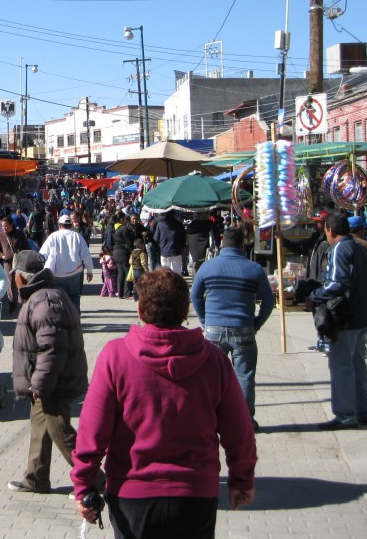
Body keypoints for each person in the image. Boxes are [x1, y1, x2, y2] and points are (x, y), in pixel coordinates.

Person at [72, 268, 257, 536]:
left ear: (140, 309)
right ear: (186, 311)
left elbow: (92, 430)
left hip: (132, 496)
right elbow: (239, 431)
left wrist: (84, 484)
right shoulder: (213, 360)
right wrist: (242, 479)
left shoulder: (116, 356)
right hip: (195, 495)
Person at [7, 250, 88, 495]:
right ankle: (36, 478)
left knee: (58, 429)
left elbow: (52, 347)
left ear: (22, 277)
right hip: (49, 378)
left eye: (15, 276)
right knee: (40, 426)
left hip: (53, 379)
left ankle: (94, 478)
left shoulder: (44, 301)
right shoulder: (43, 297)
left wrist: (40, 382)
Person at [190, 227, 274, 430]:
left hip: (213, 330)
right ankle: (244, 422)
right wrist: (256, 324)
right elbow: (269, 301)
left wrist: (204, 320)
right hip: (243, 328)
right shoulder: (253, 269)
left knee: (211, 377)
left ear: (222, 244)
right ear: (242, 245)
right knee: (244, 376)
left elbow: (194, 295)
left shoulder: (207, 268)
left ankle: (210, 421)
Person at [309, 212, 367, 430]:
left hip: (345, 317)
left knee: (341, 366)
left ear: (329, 230)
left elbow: (337, 282)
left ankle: (346, 414)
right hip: (361, 314)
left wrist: (315, 295)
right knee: (357, 363)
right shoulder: (360, 247)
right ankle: (362, 409)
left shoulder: (339, 248)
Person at [39, 213, 94, 312]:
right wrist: (89, 270)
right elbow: (86, 255)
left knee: (60, 300)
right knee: (75, 297)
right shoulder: (77, 236)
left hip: (58, 275)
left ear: (59, 225)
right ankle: (75, 319)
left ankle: (63, 321)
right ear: (71, 225)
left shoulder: (53, 237)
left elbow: (42, 254)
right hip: (75, 273)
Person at [0, 215, 30, 314]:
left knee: (21, 282)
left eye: (6, 226)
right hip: (8, 263)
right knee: (10, 283)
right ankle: (12, 303)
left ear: (11, 225)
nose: (4, 228)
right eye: (2, 226)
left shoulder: (19, 233)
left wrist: (22, 254)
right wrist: (2, 256)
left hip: (20, 262)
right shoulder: (1, 235)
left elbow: (27, 247)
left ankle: (22, 303)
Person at [152, 210, 186, 275]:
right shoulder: (179, 225)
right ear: (174, 215)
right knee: (176, 274)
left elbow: (156, 239)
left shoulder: (160, 225)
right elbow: (183, 238)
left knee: (165, 275)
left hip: (164, 252)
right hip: (176, 252)